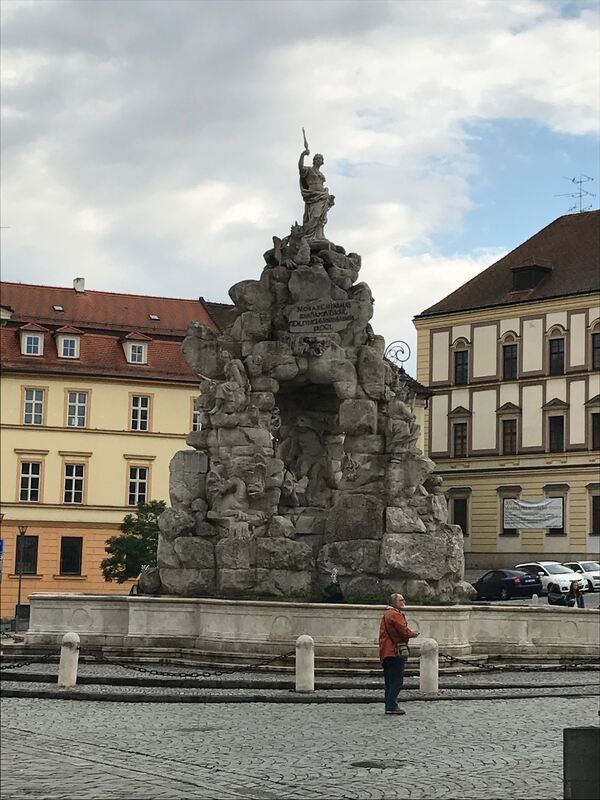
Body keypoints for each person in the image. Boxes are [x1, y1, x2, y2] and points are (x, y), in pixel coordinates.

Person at [378, 593, 418, 715]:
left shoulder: (386, 614)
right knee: (397, 680)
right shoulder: (395, 615)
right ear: (394, 602)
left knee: (389, 680)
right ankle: (392, 705)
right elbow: (403, 631)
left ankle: (388, 704)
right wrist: (413, 633)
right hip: (394, 651)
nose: (403, 601)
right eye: (401, 600)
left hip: (385, 651)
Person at [298, 147, 335, 240]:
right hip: (313, 195)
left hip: (322, 196)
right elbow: (300, 167)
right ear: (314, 161)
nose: (319, 160)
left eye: (321, 159)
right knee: (315, 216)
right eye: (317, 158)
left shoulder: (321, 173)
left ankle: (319, 235)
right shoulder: (309, 170)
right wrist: (303, 154)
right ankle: (306, 235)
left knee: (321, 218)